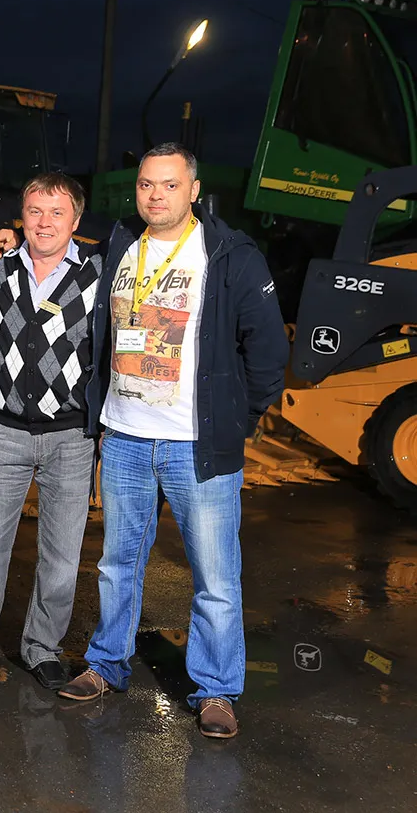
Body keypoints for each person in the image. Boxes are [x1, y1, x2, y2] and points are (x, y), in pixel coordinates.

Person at [57, 143, 287, 740]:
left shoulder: (229, 255)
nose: (155, 195)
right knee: (117, 565)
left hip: (196, 446)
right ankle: (106, 663)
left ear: (194, 190)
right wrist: (6, 235)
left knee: (215, 577)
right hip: (126, 439)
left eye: (169, 184)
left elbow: (267, 352)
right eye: (145, 184)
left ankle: (216, 690)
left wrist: (236, 420)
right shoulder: (119, 245)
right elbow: (54, 249)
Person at [0, 172, 102, 692]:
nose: (45, 222)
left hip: (72, 438)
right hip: (3, 433)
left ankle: (42, 647)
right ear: (21, 218)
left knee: (61, 556)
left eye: (57, 213)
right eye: (35, 211)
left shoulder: (98, 274)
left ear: (76, 221)